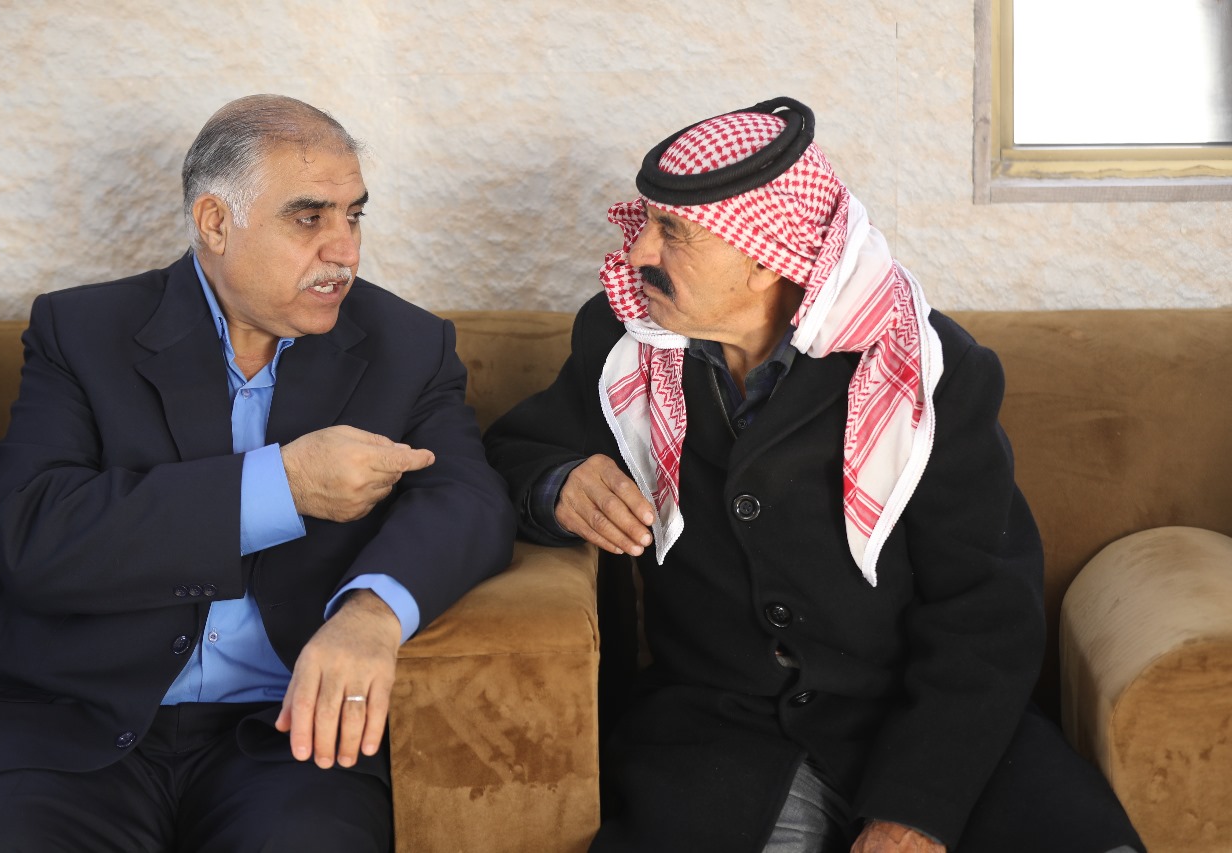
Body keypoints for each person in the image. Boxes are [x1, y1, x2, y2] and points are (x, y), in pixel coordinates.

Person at [484, 98, 1144, 853]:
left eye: (672, 231)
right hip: (720, 735)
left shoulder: (929, 370)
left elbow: (986, 607)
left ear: (767, 255)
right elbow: (513, 450)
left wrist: (917, 811)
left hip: (923, 720)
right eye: (646, 224)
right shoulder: (622, 340)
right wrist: (560, 483)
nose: (637, 253)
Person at [0, 94, 515, 852]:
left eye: (354, 216)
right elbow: (34, 531)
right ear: (215, 223)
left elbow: (469, 499)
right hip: (67, 730)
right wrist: (281, 486)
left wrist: (372, 614)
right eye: (309, 217)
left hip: (291, 738)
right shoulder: (79, 331)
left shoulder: (409, 345)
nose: (345, 250)